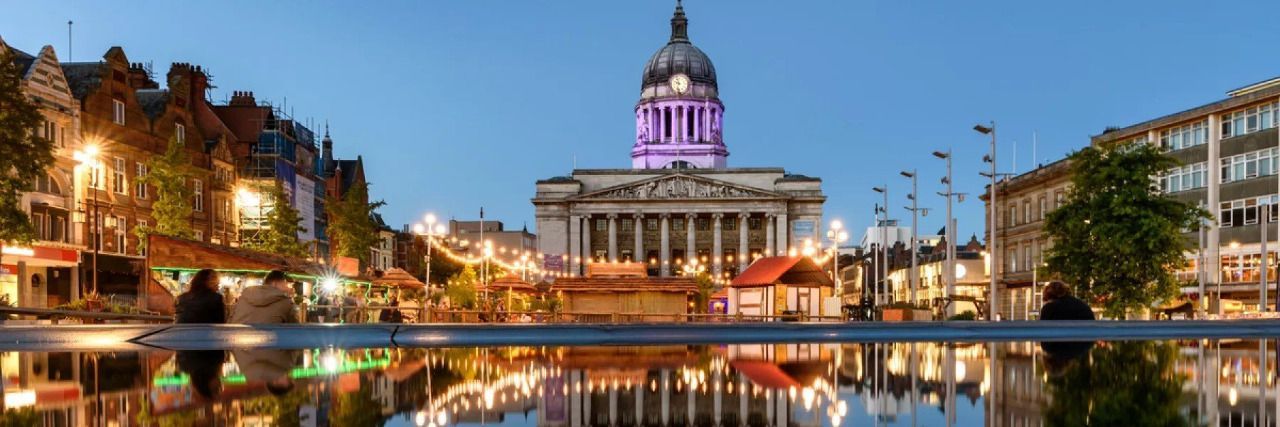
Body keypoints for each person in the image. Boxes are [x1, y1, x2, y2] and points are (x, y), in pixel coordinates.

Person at [230, 270, 298, 324]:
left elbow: (230, 319)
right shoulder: (286, 302)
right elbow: (294, 328)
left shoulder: (244, 297)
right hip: (270, 340)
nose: (287, 287)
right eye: (285, 283)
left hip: (235, 338)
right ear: (275, 283)